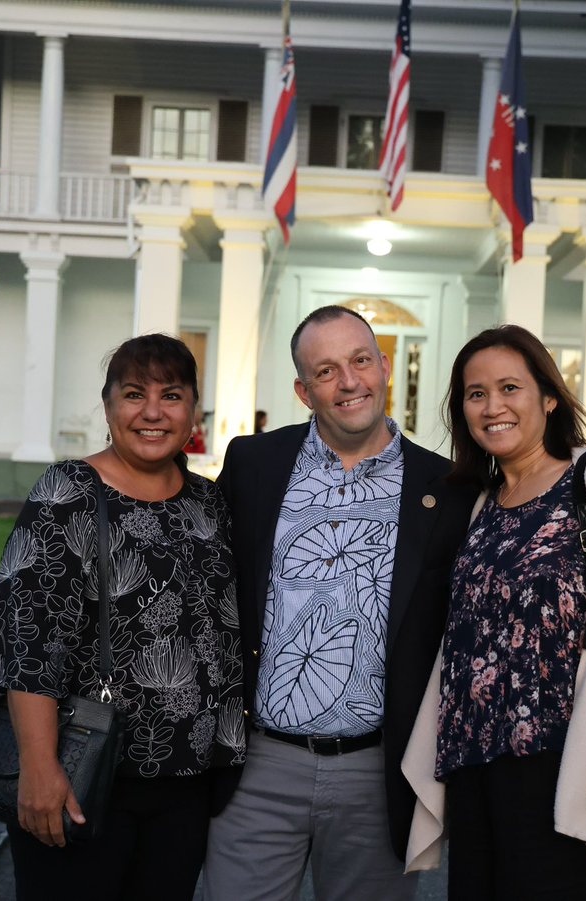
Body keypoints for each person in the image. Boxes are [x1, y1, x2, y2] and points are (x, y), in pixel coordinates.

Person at [202, 306, 477, 901]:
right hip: (258, 767)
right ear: (304, 391)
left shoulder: (447, 488)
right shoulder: (254, 464)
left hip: (377, 776)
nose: (349, 382)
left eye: (359, 361)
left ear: (383, 366)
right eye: (326, 372)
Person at [412, 325, 586, 900]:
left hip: (563, 772)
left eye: (510, 387)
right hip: (472, 769)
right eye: (475, 393)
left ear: (550, 397)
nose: (493, 407)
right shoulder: (481, 502)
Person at [0, 334, 244, 900]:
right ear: (109, 404)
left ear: (194, 407)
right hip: (82, 775)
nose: (152, 412)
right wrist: (40, 768)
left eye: (171, 395)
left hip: (186, 785)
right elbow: (29, 640)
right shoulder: (66, 492)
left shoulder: (208, 504)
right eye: (134, 394)